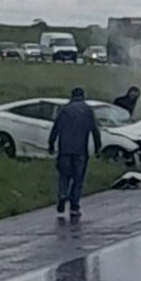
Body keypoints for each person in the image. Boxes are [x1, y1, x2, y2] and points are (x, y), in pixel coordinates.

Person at [48, 87, 102, 221]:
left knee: (64, 175)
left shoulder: (64, 110)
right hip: (80, 151)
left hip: (64, 149)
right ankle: (74, 206)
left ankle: (62, 195)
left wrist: (51, 144)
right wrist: (97, 147)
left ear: (71, 96)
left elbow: (56, 128)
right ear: (83, 96)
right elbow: (95, 130)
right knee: (78, 180)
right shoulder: (88, 110)